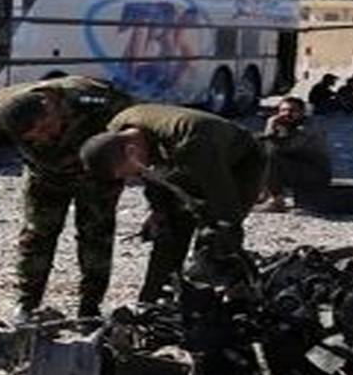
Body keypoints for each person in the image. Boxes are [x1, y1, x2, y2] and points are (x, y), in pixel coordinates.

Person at [79, 105, 265, 303]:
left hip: (240, 161)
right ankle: (153, 301)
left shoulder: (192, 144)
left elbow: (222, 200)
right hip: (184, 160)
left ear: (131, 151)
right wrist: (158, 210)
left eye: (126, 173)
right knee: (168, 231)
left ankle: (226, 298)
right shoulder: (118, 130)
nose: (130, 178)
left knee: (216, 235)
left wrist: (226, 228)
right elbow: (152, 173)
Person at [0, 75, 134, 324]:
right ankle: (27, 302)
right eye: (34, 137)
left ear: (51, 107)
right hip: (46, 173)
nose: (46, 137)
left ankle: (90, 308)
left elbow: (134, 124)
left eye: (46, 128)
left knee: (96, 236)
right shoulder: (3, 110)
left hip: (96, 173)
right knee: (37, 234)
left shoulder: (94, 99)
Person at [257, 96, 331, 211]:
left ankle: (277, 200)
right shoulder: (287, 125)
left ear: (302, 112)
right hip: (297, 167)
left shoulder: (309, 127)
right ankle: (263, 192)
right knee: (260, 150)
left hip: (315, 172)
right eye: (283, 110)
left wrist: (270, 126)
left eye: (292, 110)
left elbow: (288, 147)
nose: (287, 114)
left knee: (273, 155)